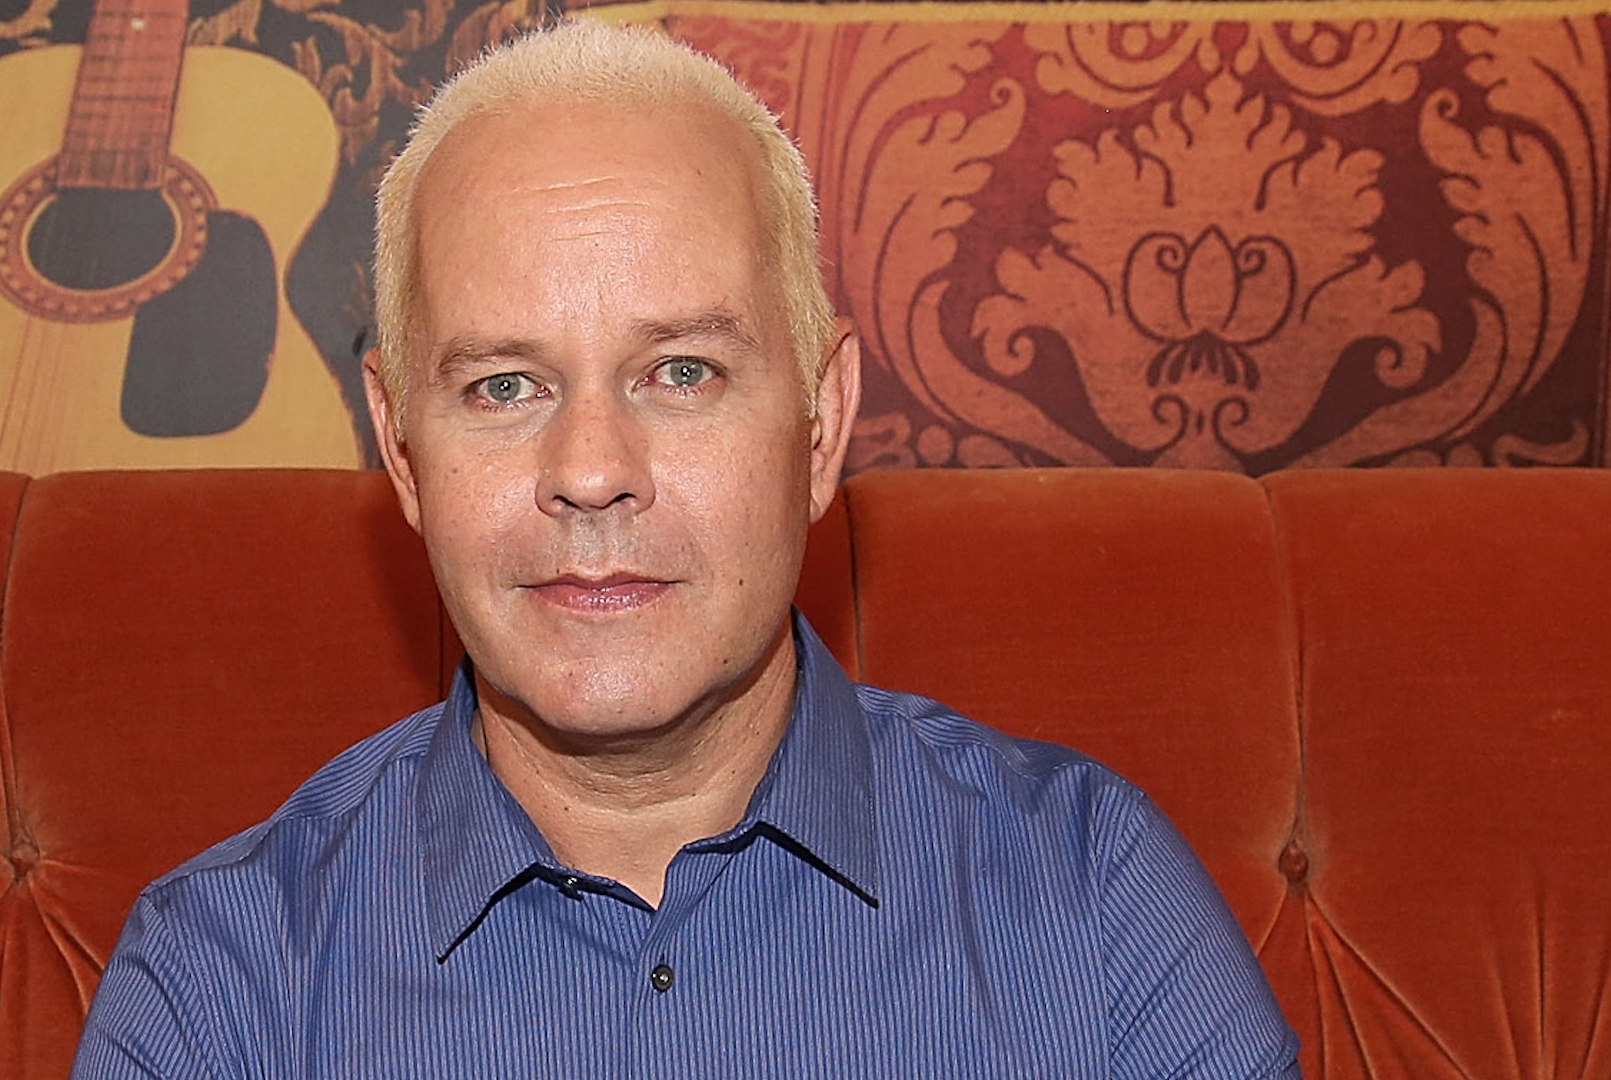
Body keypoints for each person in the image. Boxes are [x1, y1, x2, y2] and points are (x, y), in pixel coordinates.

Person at [72, 20, 1301, 1077]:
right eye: (504, 386)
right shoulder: (216, 991)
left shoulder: (1095, 900)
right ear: (400, 449)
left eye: (681, 372)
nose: (590, 469)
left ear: (820, 422)